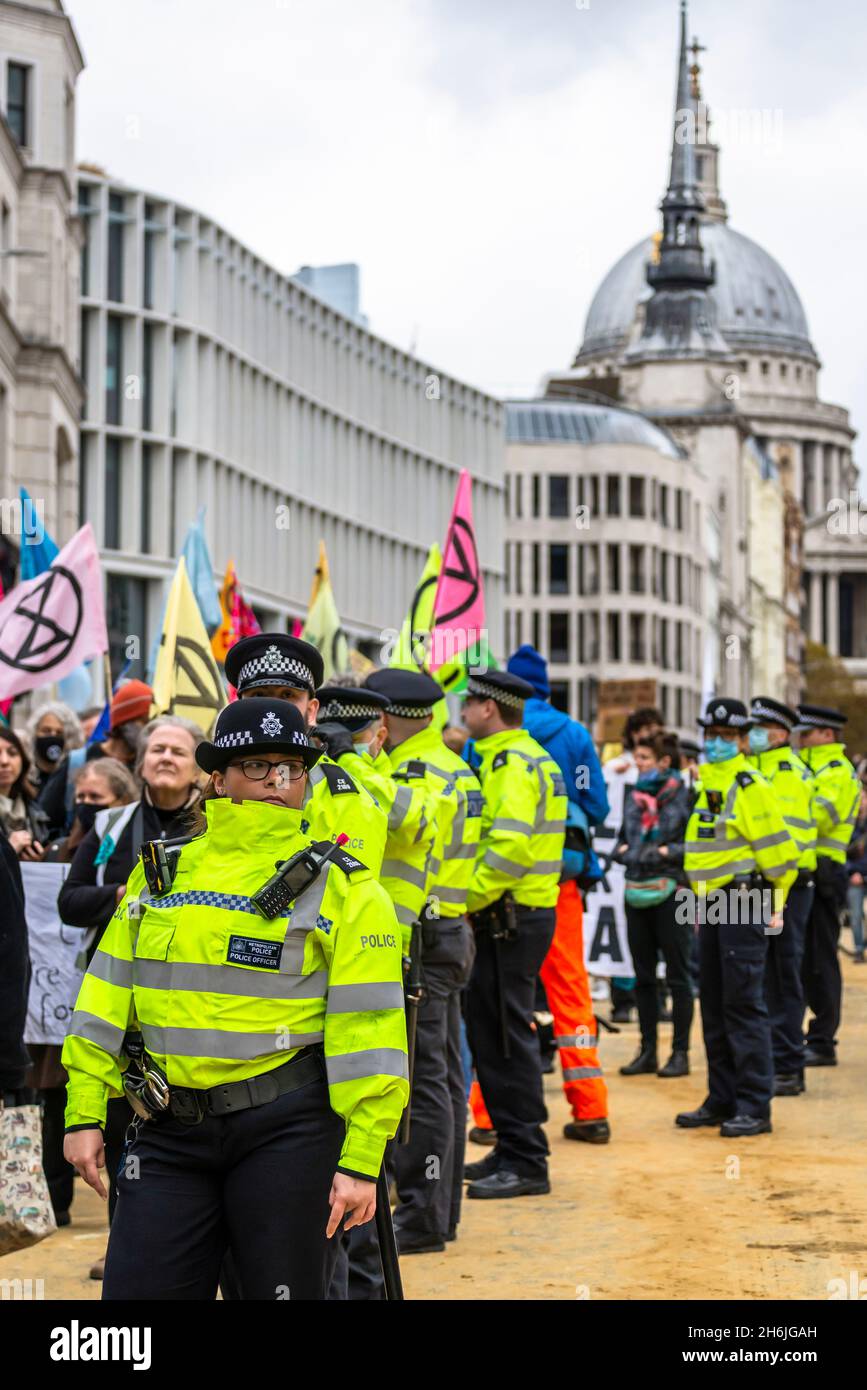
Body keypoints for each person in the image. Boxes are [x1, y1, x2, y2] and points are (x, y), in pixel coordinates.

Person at [62, 698, 408, 1301]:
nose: (278, 781)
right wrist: (84, 1110)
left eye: (292, 769)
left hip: (290, 1135)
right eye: (257, 766)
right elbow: (106, 997)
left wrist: (361, 1161)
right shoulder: (161, 872)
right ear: (217, 777)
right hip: (166, 1130)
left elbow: (371, 1034)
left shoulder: (349, 888)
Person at [58, 717, 203, 1278]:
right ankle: (126, 1242)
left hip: (184, 1003)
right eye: (157, 748)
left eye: (179, 750)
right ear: (140, 762)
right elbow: (70, 901)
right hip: (117, 996)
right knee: (121, 1124)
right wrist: (125, 894)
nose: (166, 757)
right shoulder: (113, 825)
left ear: (199, 768)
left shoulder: (211, 827)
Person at [363, 668, 481, 1252]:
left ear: (391, 717)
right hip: (446, 926)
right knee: (442, 1076)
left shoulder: (419, 770)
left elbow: (404, 826)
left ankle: (423, 1215)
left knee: (421, 1079)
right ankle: (438, 1212)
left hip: (425, 934)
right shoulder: (449, 763)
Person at [460, 672, 566, 1199]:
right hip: (514, 913)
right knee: (496, 1036)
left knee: (506, 1039)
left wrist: (463, 899)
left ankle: (527, 1161)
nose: (462, 709)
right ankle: (512, 1146)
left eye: (470, 701)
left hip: (509, 914)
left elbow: (508, 852)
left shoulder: (512, 764)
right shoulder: (517, 756)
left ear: (490, 709)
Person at [28, 756, 139, 1231]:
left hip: (133, 1002)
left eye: (98, 799)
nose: (85, 806)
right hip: (79, 991)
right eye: (81, 798)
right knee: (60, 1092)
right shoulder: (78, 842)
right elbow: (70, 900)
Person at [505, 644, 612, 1143]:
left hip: (503, 887)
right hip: (562, 882)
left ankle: (489, 1117)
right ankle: (590, 1111)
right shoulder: (573, 735)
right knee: (571, 992)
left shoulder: (493, 736)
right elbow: (598, 806)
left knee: (502, 997)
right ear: (547, 689)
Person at [678, 698, 798, 1138]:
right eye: (711, 736)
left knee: (744, 1003)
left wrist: (774, 902)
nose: (715, 744)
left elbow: (782, 856)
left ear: (744, 741)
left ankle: (753, 1104)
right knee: (712, 1002)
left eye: (726, 738)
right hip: (710, 903)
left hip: (743, 900)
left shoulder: (749, 786)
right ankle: (722, 1097)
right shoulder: (709, 784)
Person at [225, 634, 387, 872]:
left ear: (311, 711)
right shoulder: (218, 780)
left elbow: (351, 898)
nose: (274, 709)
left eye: (288, 696)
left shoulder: (348, 803)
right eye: (259, 695)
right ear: (236, 706)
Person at [747, 697, 817, 1097]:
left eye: (760, 728)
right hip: (759, 887)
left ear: (780, 735)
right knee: (759, 975)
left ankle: (789, 1064)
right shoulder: (757, 770)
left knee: (781, 974)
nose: (753, 734)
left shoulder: (786, 775)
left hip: (785, 887)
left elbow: (787, 843)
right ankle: (774, 1059)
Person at [614, 732, 693, 1078]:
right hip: (636, 890)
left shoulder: (684, 794)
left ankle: (680, 1052)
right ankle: (647, 1050)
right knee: (643, 976)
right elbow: (621, 842)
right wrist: (641, 853)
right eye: (636, 757)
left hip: (674, 892)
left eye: (644, 757)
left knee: (678, 976)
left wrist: (660, 853)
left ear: (664, 761)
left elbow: (689, 844)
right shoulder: (633, 796)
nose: (638, 764)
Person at [795, 704, 861, 1066]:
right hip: (803, 871)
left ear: (826, 734)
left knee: (820, 957)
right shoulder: (808, 767)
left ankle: (822, 1038)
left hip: (823, 871)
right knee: (802, 957)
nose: (800, 738)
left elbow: (817, 817)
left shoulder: (836, 771)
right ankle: (811, 1034)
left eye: (807, 732)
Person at [38, 680, 154, 838]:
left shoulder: (147, 766)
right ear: (127, 722)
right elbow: (46, 818)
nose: (152, 730)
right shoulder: (78, 761)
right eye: (146, 722)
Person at [0, 724, 49, 860]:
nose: (4, 761)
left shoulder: (33, 808)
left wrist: (40, 858)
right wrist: (8, 850)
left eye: (12, 753)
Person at [25, 701, 84, 797]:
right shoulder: (24, 775)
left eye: (59, 733)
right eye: (46, 731)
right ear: (34, 733)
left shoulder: (75, 776)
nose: (53, 736)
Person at [845, 789, 867, 963]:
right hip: (854, 878)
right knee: (855, 916)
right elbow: (839, 852)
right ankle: (859, 949)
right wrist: (853, 872)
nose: (861, 803)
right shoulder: (847, 825)